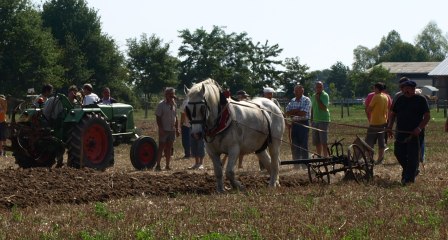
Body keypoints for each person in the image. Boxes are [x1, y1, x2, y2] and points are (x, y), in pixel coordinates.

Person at [387, 80, 430, 185]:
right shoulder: (400, 99)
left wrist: (419, 128)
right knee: (398, 153)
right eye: (404, 88)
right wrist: (389, 127)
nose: (405, 90)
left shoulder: (421, 100)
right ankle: (411, 171)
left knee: (412, 156)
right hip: (401, 132)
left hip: (415, 133)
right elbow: (393, 114)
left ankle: (408, 179)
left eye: (408, 88)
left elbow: (427, 116)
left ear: (413, 89)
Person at [285, 84, 311, 168]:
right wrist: (297, 111)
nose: (296, 93)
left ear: (302, 91)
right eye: (295, 91)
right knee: (295, 145)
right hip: (294, 125)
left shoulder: (306, 100)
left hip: (303, 124)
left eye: (298, 91)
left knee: (303, 145)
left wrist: (293, 112)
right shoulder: (292, 100)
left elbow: (303, 113)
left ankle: (305, 165)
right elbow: (287, 112)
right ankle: (296, 165)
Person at [154, 87, 180, 171]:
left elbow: (176, 117)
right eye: (171, 94)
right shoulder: (161, 104)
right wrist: (161, 129)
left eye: (173, 94)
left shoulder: (174, 104)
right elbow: (158, 117)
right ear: (166, 94)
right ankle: (158, 165)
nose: (172, 96)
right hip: (164, 129)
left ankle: (167, 165)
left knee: (169, 148)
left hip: (172, 130)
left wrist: (177, 129)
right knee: (161, 147)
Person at [365, 82, 389, 163]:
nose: (373, 90)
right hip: (383, 122)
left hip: (375, 122)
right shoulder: (386, 97)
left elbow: (369, 109)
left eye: (374, 88)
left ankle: (369, 158)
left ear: (378, 89)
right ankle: (380, 159)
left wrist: (369, 110)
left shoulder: (376, 97)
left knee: (369, 141)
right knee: (381, 141)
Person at [310, 81, 330, 158]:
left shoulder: (325, 95)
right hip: (315, 121)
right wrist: (311, 119)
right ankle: (319, 157)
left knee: (323, 141)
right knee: (317, 141)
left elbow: (324, 108)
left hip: (323, 120)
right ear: (315, 88)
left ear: (322, 87)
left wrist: (318, 99)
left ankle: (325, 157)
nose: (318, 88)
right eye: (317, 87)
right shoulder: (313, 96)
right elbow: (312, 108)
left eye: (320, 87)